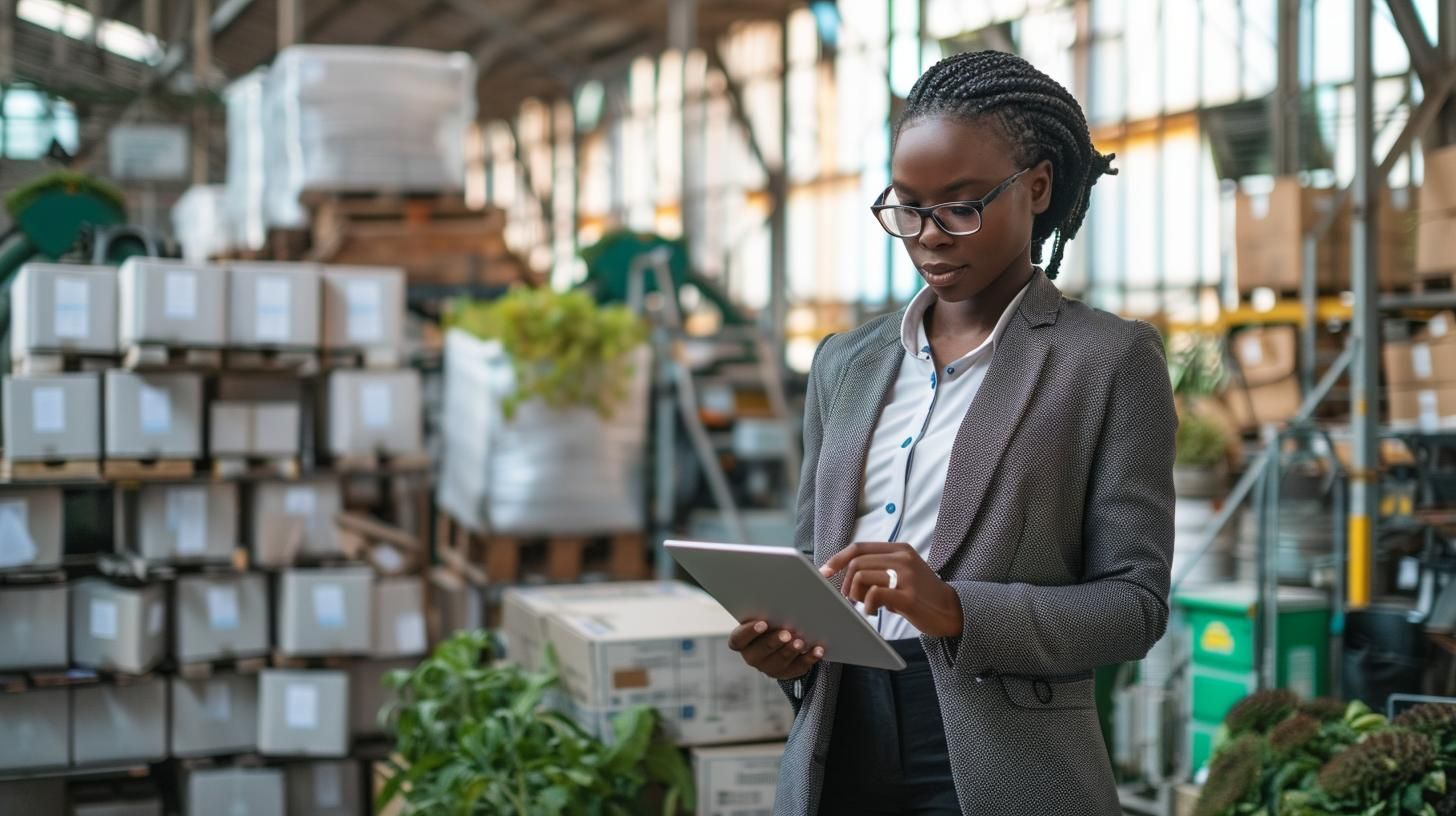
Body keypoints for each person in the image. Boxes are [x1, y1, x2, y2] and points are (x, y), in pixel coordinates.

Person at [728, 50, 1177, 815]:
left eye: (961, 205)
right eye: (907, 207)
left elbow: (1134, 607)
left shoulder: (1105, 361)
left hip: (1003, 754)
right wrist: (789, 647)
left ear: (1036, 187)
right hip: (840, 732)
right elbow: (814, 557)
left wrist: (956, 609)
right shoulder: (846, 362)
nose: (928, 235)